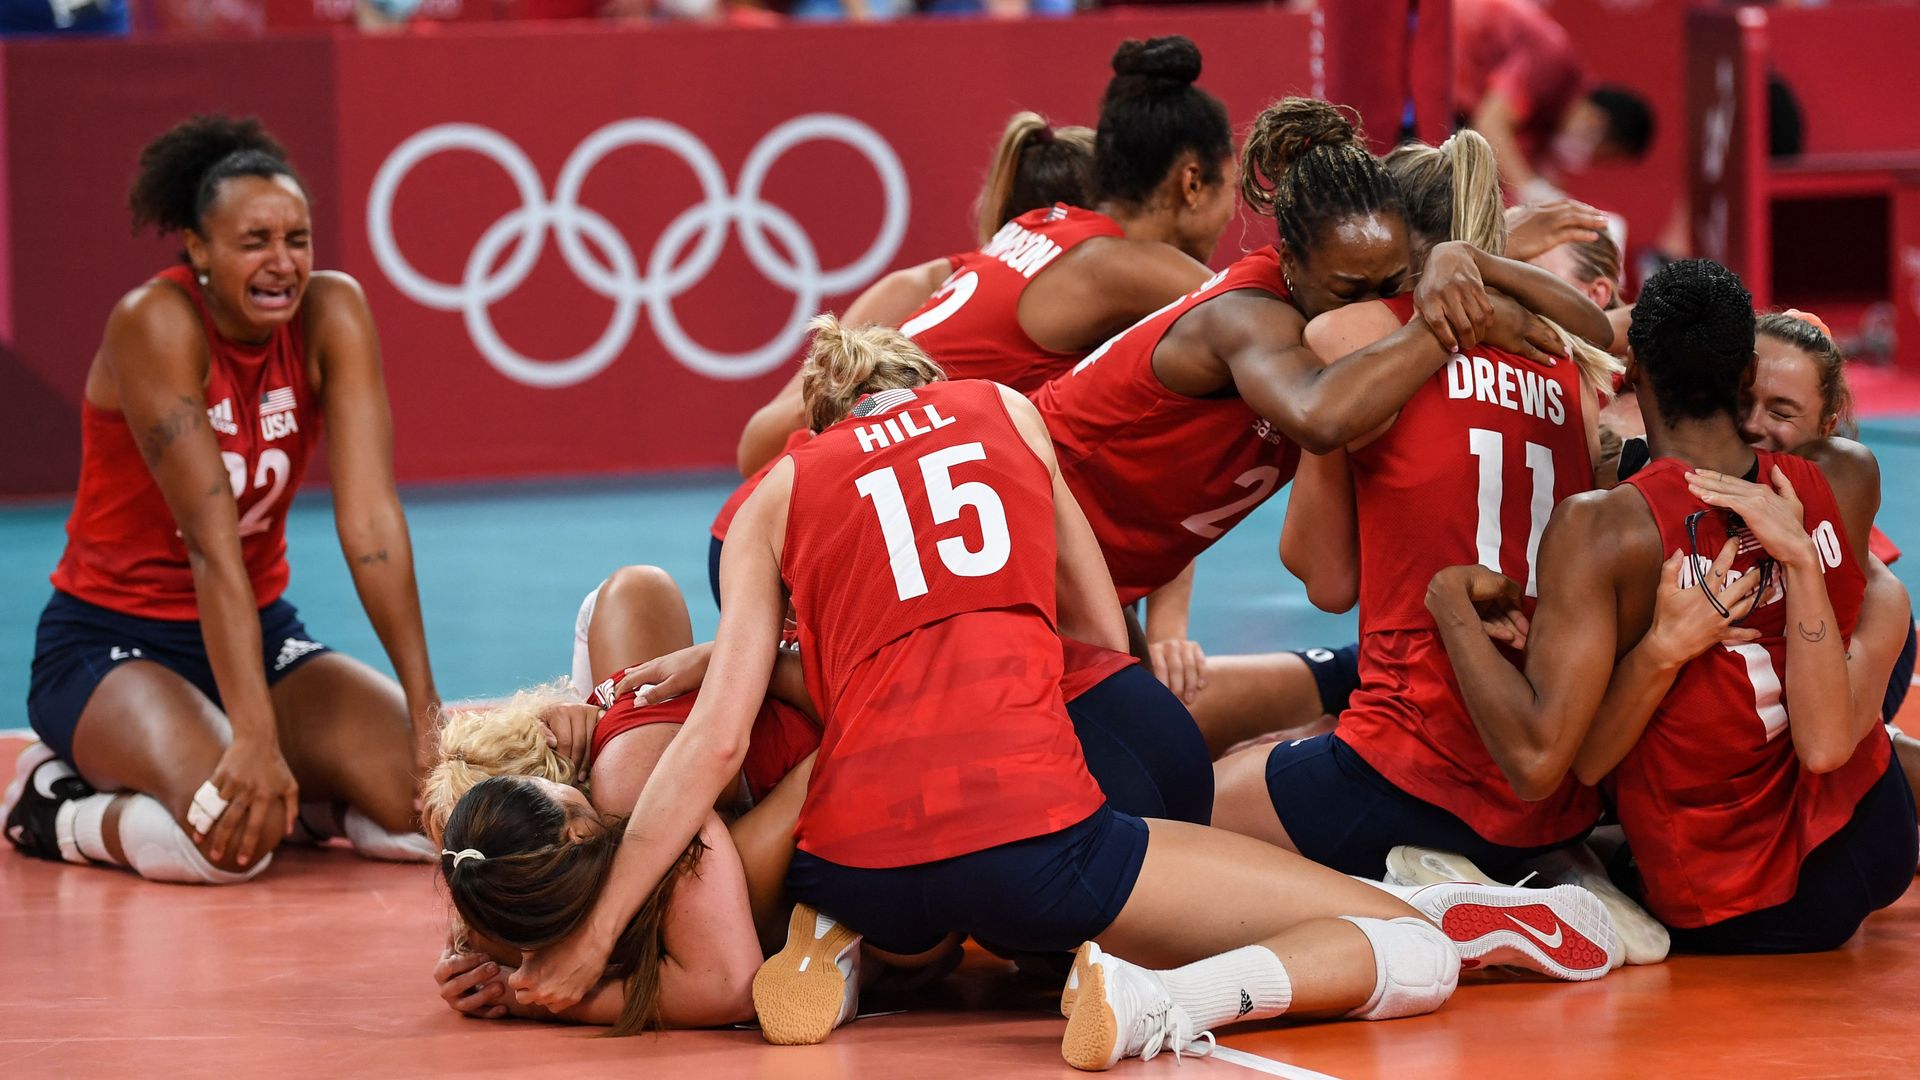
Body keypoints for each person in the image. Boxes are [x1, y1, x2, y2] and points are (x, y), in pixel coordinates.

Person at [501, 318, 1619, 1069]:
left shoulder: (773, 495)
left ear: (819, 422)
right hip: (1045, 842)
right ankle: (1149, 1002)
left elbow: (709, 747)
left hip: (857, 858)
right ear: (927, 385)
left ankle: (841, 942)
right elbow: (1097, 636)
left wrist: (589, 947)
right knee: (1404, 953)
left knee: (877, 843)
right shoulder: (1009, 414)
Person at [1209, 131, 1620, 984]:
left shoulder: (1357, 332)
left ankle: (1410, 901)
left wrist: (1333, 424)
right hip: (1548, 790)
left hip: (1412, 762)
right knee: (1295, 729)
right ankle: (1539, 878)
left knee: (1184, 823)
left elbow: (1326, 579)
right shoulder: (1564, 368)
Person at [1427, 259, 1916, 953]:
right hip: (1876, 832)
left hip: (1747, 903)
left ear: (1633, 373)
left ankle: (1566, 887)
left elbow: (1543, 764)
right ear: (1746, 376)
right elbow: (1874, 594)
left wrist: (1448, 604)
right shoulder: (1845, 471)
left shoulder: (1604, 529)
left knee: (1553, 829)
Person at [4, 116, 440, 885]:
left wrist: (428, 712)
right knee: (232, 839)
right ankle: (52, 805)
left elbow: (371, 524)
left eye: (296, 239)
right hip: (111, 642)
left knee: (431, 799)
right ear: (199, 251)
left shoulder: (333, 314)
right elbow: (211, 545)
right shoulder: (156, 322)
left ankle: (306, 802)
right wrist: (253, 735)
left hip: (259, 633)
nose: (282, 263)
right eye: (254, 242)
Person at [1030, 97, 1610, 637]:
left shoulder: (1349, 302)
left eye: (1391, 288)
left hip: (1098, 557)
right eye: (1349, 292)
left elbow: (1602, 333)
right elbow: (1316, 414)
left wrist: (1477, 255)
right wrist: (1459, 322)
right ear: (1289, 263)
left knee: (1148, 730)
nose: (1370, 310)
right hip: (1029, 522)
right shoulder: (1247, 319)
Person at [1453, 0, 1655, 199]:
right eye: (1598, 156)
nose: (1585, 162)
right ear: (1596, 123)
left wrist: (1550, 198)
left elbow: (1545, 177)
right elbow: (1489, 126)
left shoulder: (1550, 116)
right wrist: (1530, 190)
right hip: (1436, 33)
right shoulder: (1552, 64)